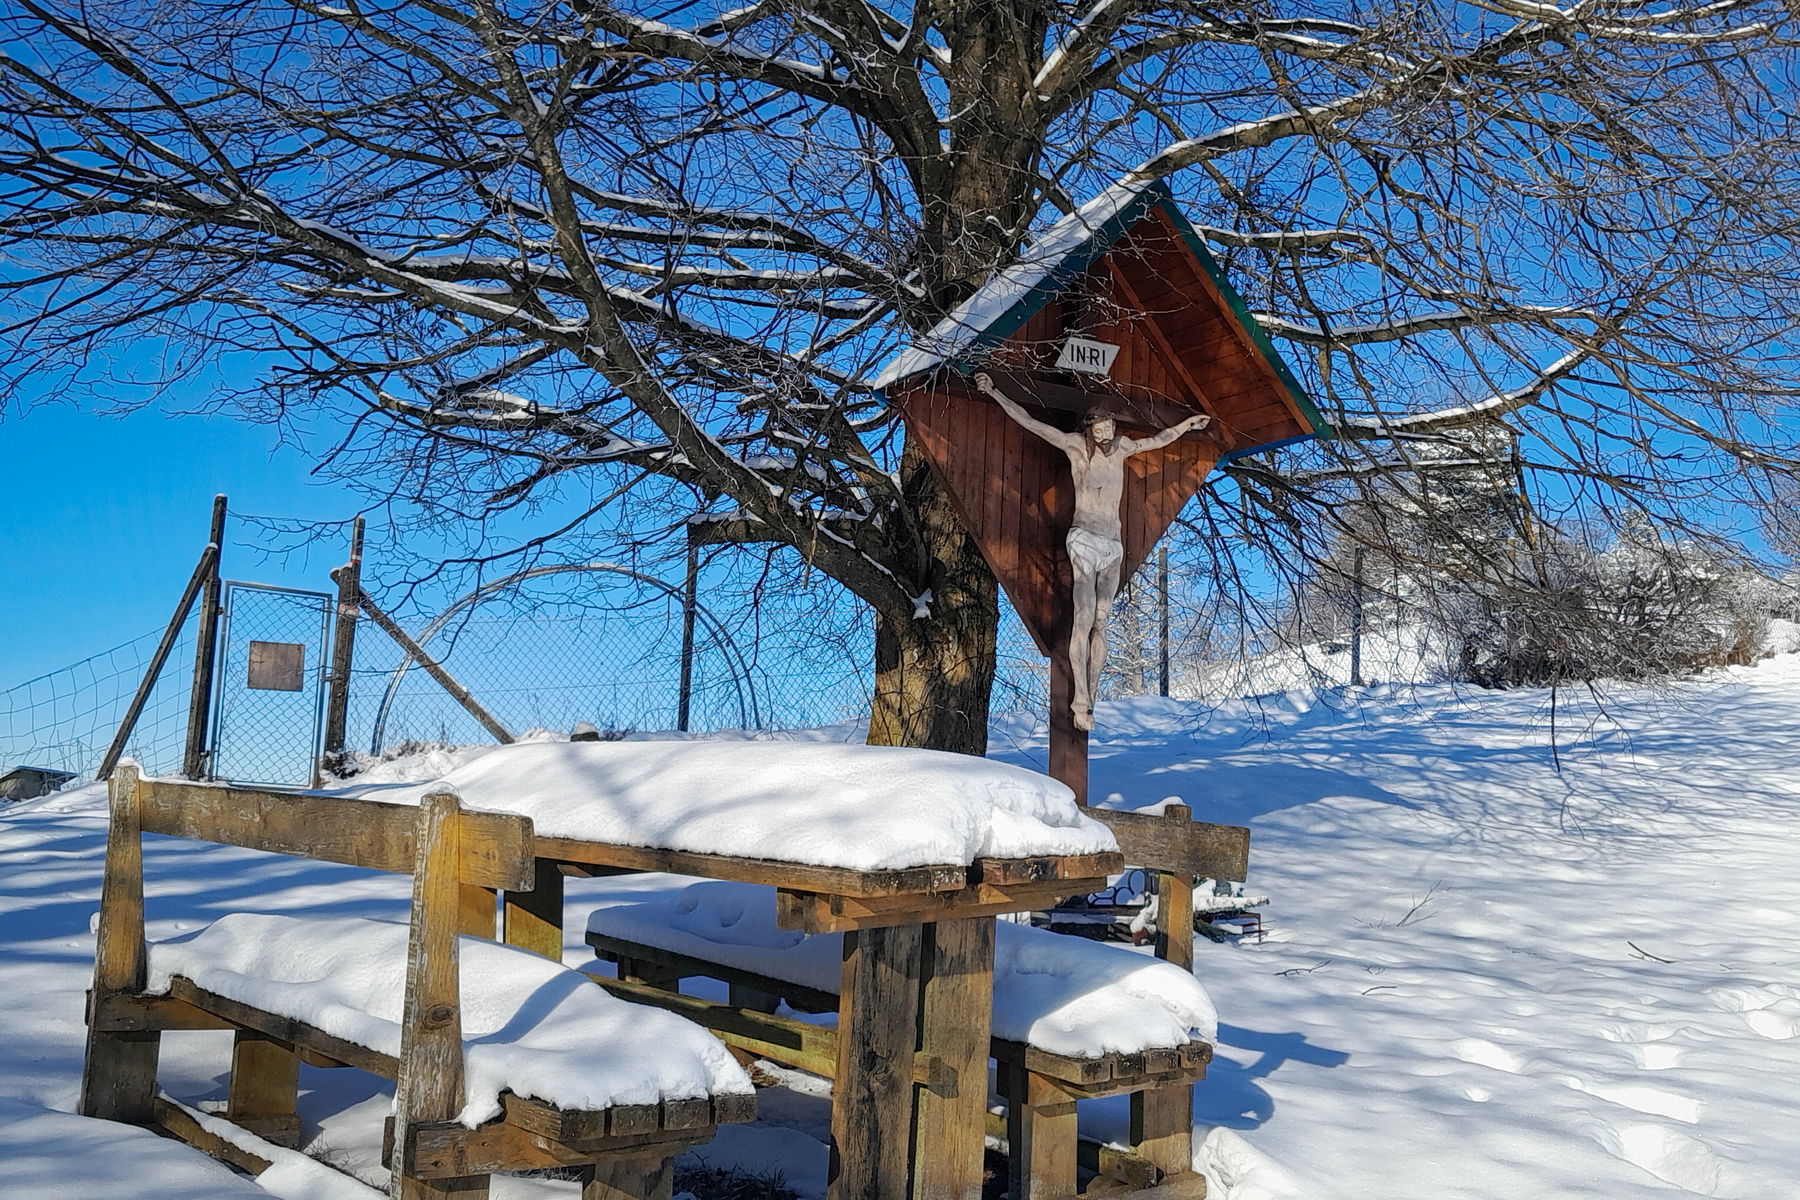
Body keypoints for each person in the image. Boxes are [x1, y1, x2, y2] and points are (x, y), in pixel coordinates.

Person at [973, 371, 1211, 730]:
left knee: (1102, 619)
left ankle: (1091, 698)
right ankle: (1079, 697)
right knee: (1083, 617)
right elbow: (1031, 423)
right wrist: (994, 392)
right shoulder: (1075, 447)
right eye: (1100, 428)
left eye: (1110, 427)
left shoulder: (1123, 448)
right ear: (1090, 429)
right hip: (1084, 539)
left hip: (1112, 544)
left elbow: (1159, 439)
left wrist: (1188, 424)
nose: (1106, 433)